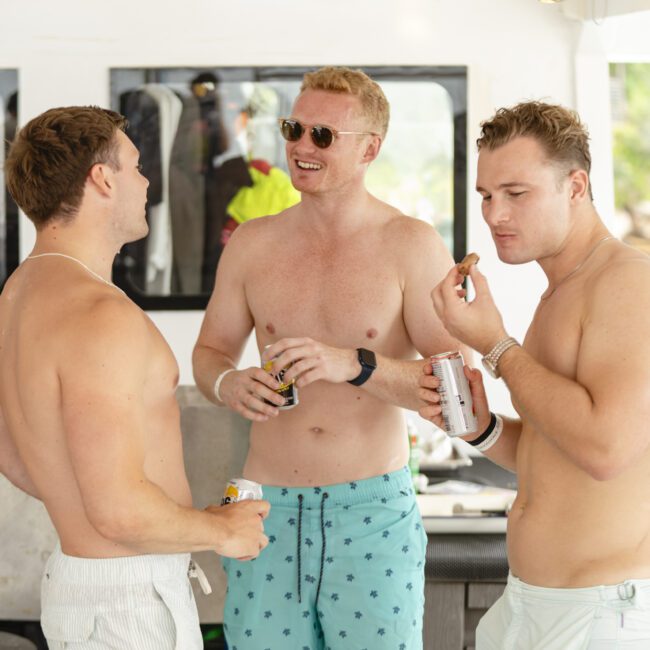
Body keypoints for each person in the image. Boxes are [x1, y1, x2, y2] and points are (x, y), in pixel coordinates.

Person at [193, 66, 469, 649]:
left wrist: (357, 364)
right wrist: (226, 383)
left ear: (370, 148)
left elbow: (459, 389)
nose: (299, 146)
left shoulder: (410, 243)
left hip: (372, 512)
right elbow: (210, 352)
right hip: (265, 514)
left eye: (322, 135)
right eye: (294, 128)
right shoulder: (251, 242)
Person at [0, 106, 270, 650]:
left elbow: (16, 458)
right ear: (102, 178)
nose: (147, 182)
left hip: (84, 583)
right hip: (126, 601)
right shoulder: (100, 315)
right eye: (137, 165)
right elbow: (119, 511)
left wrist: (138, 516)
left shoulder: (18, 294)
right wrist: (223, 531)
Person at [422, 101, 650, 649]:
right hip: (531, 602)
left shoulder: (627, 281)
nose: (495, 214)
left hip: (596, 614)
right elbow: (556, 450)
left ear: (576, 186)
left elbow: (604, 448)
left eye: (516, 194)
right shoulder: (561, 291)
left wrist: (495, 345)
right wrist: (481, 429)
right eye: (485, 196)